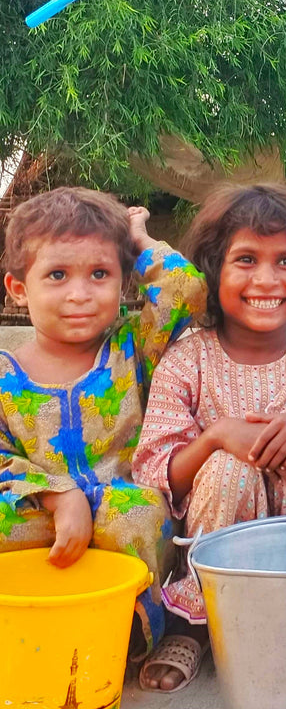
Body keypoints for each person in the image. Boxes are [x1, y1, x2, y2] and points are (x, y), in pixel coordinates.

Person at [133, 182, 286, 692]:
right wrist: (216, 437)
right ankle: (193, 624)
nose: (267, 278)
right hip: (216, 542)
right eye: (246, 259)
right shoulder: (188, 358)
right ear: (215, 272)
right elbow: (155, 470)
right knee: (229, 469)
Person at [0, 187, 206, 661]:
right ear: (17, 290)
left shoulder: (133, 350)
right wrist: (57, 494)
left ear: (124, 282)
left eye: (100, 274)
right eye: (56, 275)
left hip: (124, 510)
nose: (80, 294)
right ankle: (24, 627)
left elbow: (187, 292)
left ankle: (127, 636)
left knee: (135, 512)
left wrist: (138, 240)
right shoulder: (6, 377)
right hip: (41, 514)